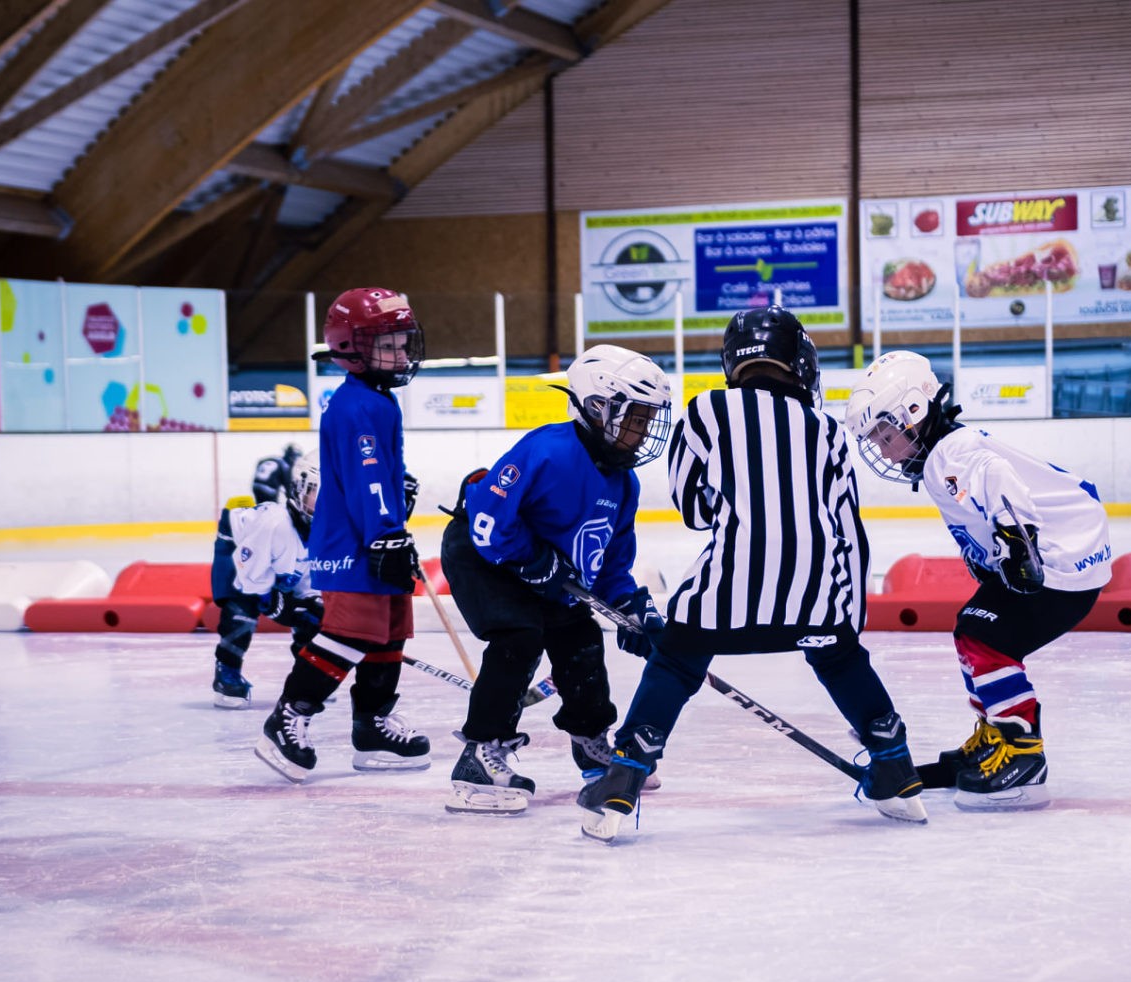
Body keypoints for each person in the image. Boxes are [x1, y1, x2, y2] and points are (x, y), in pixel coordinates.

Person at [577, 306, 927, 842]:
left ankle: (622, 781)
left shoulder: (703, 412)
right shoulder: (828, 429)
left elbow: (694, 510)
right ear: (799, 363)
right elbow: (846, 528)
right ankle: (896, 768)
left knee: (674, 662)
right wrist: (844, 618)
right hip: (815, 600)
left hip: (728, 598)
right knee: (840, 659)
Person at [843, 350, 1112, 811]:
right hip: (1068, 551)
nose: (884, 449)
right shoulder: (945, 453)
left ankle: (1023, 751)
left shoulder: (951, 452)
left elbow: (997, 477)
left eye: (886, 435)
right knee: (973, 629)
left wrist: (1015, 540)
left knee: (982, 633)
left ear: (914, 411)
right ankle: (997, 733)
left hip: (1062, 560)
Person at [438, 344, 673, 814]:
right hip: (484, 556)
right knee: (519, 635)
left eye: (648, 420)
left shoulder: (624, 484)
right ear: (598, 406)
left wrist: (632, 608)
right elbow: (486, 517)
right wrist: (531, 558)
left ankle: (590, 743)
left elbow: (607, 565)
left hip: (547, 574)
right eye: (636, 419)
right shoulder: (548, 449)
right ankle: (480, 753)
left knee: (582, 638)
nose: (644, 431)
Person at [254, 287, 431, 783]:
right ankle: (288, 716)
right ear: (352, 347)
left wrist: (396, 525)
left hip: (377, 537)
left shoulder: (377, 399)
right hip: (355, 545)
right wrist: (384, 535)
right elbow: (367, 479)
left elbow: (381, 479)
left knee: (390, 633)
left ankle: (372, 725)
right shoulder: (357, 407)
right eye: (388, 344)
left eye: (402, 341)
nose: (400, 353)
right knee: (350, 634)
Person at [210, 452, 323, 707]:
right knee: (241, 607)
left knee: (315, 614)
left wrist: (311, 604)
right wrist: (275, 603)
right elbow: (250, 579)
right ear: (298, 489)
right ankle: (226, 673)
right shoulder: (275, 524)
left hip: (272, 558)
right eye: (317, 491)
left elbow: (309, 582)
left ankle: (307, 677)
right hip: (236, 546)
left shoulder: (329, 532)